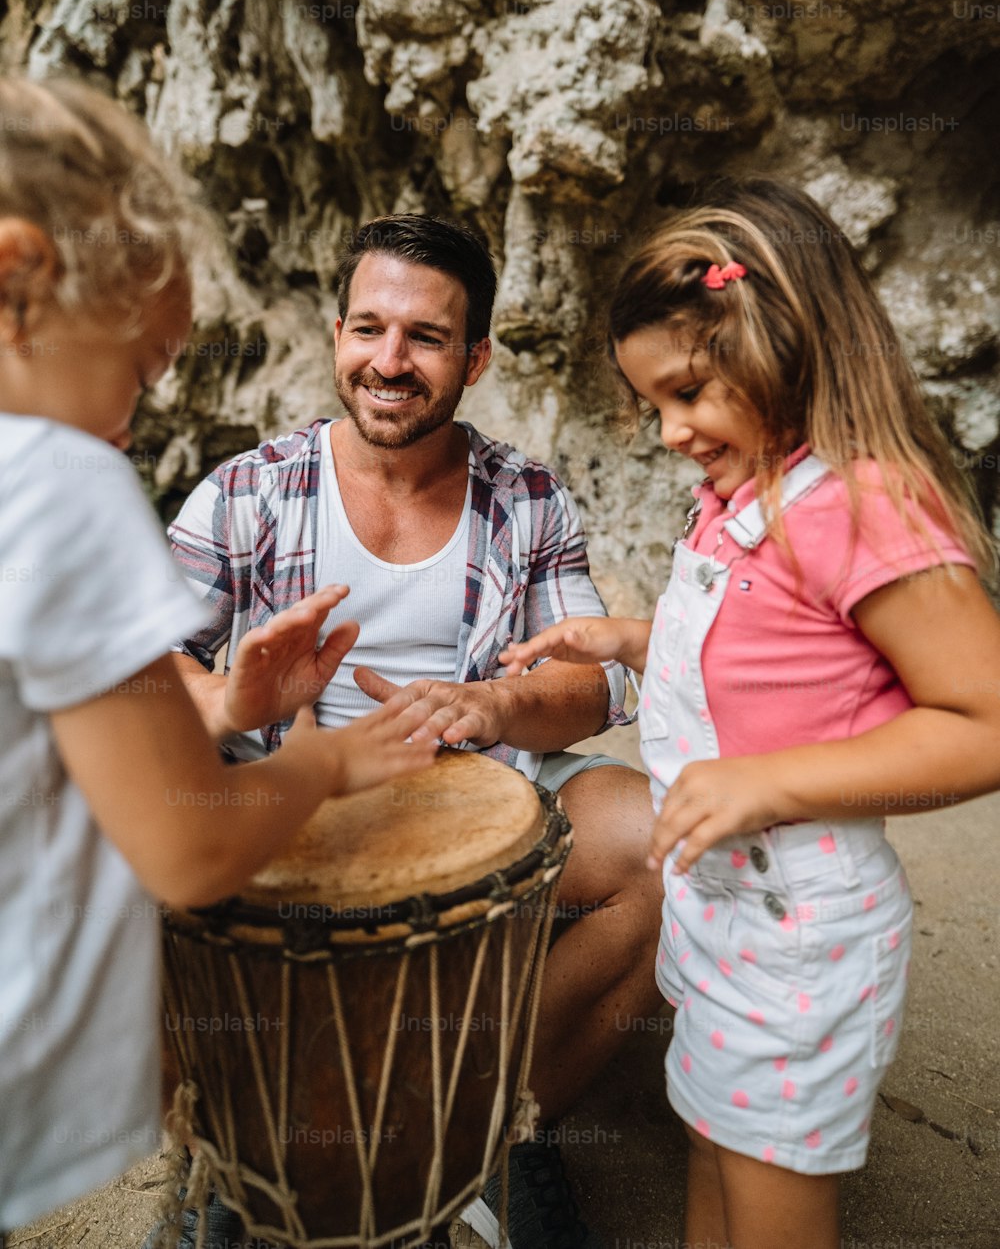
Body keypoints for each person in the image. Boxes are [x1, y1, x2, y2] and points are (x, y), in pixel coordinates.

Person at [500, 178, 1000, 1249]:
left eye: (687, 393)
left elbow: (982, 720)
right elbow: (780, 654)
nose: (671, 430)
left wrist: (766, 781)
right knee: (720, 1145)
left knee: (774, 1191)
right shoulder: (741, 499)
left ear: (779, 340)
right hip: (724, 913)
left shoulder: (861, 506)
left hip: (801, 931)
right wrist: (633, 638)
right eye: (653, 407)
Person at [161, 214, 666, 1249]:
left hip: (484, 798)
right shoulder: (248, 490)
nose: (389, 362)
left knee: (668, 845)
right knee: (122, 804)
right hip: (286, 793)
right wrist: (232, 703)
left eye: (426, 338)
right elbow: (133, 667)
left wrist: (492, 704)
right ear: (337, 334)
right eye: (368, 328)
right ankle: (236, 1128)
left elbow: (590, 685)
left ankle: (496, 1123)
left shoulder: (525, 498)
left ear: (474, 356)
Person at [0, 77, 438, 1240]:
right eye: (141, 369)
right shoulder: (57, 481)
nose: (134, 424)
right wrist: (325, 766)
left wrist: (227, 700)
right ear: (17, 281)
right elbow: (188, 848)